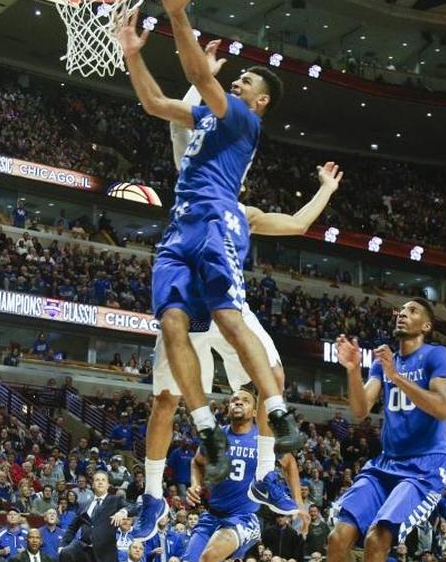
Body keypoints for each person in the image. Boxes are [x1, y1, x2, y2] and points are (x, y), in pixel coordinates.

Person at [130, 57, 340, 543]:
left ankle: (266, 472)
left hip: (225, 303)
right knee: (164, 401)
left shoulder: (243, 210)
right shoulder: (196, 167)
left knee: (275, 374)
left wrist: (326, 190)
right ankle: (153, 495)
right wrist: (198, 75)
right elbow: (174, 124)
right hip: (189, 294)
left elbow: (298, 225)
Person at [115, 0, 291, 489]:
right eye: (237, 78)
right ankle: (206, 426)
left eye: (247, 80)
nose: (239, 81)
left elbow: (199, 78)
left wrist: (177, 13)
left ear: (259, 100)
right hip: (182, 223)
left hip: (217, 217)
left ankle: (277, 416)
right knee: (172, 324)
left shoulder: (243, 119)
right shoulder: (209, 116)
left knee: (229, 320)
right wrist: (133, 54)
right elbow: (154, 104)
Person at [327, 298, 446, 562]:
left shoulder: (436, 355)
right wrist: (352, 370)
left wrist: (396, 377)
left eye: (412, 311)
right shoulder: (384, 362)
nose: (403, 314)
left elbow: (443, 408)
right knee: (338, 537)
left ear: (426, 326)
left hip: (424, 467)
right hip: (385, 464)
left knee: (377, 538)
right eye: (402, 310)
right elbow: (360, 410)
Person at [181, 388, 294, 562]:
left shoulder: (264, 440)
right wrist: (195, 484)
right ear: (228, 408)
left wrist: (298, 502)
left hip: (244, 517)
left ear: (255, 412)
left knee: (209, 556)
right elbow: (196, 462)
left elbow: (290, 463)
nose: (238, 402)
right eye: (234, 400)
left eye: (245, 400)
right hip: (212, 514)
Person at [58, 472, 138, 562]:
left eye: (103, 480)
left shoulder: (115, 500)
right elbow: (73, 527)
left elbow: (134, 508)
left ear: (108, 485)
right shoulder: (87, 504)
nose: (100, 482)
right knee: (65, 553)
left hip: (105, 552)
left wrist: (123, 511)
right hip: (85, 549)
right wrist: (62, 545)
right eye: (97, 480)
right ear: (92, 485)